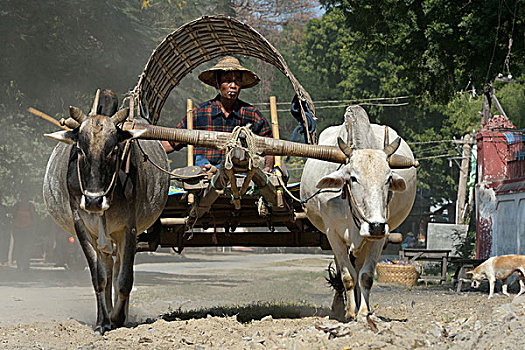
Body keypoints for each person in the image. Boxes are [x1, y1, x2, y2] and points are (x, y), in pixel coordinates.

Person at [162, 56, 274, 172]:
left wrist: (268, 167)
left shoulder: (251, 114)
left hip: (238, 170)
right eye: (228, 80)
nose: (233, 86)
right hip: (204, 171)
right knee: (200, 162)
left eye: (237, 81)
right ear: (217, 83)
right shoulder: (200, 113)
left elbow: (270, 145)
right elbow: (172, 142)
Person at [11, 193, 36, 271]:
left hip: (28, 229)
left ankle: (26, 265)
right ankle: (19, 264)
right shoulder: (16, 205)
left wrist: (33, 230)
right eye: (23, 197)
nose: (24, 199)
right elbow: (13, 216)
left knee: (27, 247)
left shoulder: (30, 206)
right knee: (19, 246)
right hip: (18, 229)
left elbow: (34, 217)